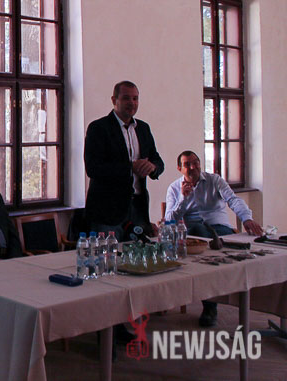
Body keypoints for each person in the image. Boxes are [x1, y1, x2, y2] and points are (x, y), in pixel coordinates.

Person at [165, 150, 264, 327]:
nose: (193, 167)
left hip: (219, 228)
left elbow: (233, 200)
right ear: (179, 168)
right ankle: (210, 307)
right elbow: (169, 220)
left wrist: (246, 218)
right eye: (187, 164)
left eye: (195, 162)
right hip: (195, 233)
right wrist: (183, 199)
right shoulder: (174, 188)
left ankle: (239, 294)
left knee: (238, 244)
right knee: (198, 231)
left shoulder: (214, 180)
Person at [84, 81, 165, 239]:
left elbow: (157, 160)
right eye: (126, 98)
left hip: (138, 208)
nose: (132, 103)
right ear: (114, 100)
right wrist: (130, 168)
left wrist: (152, 167)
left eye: (135, 98)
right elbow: (93, 168)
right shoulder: (98, 128)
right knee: (109, 254)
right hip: (107, 211)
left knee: (138, 253)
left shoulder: (143, 128)